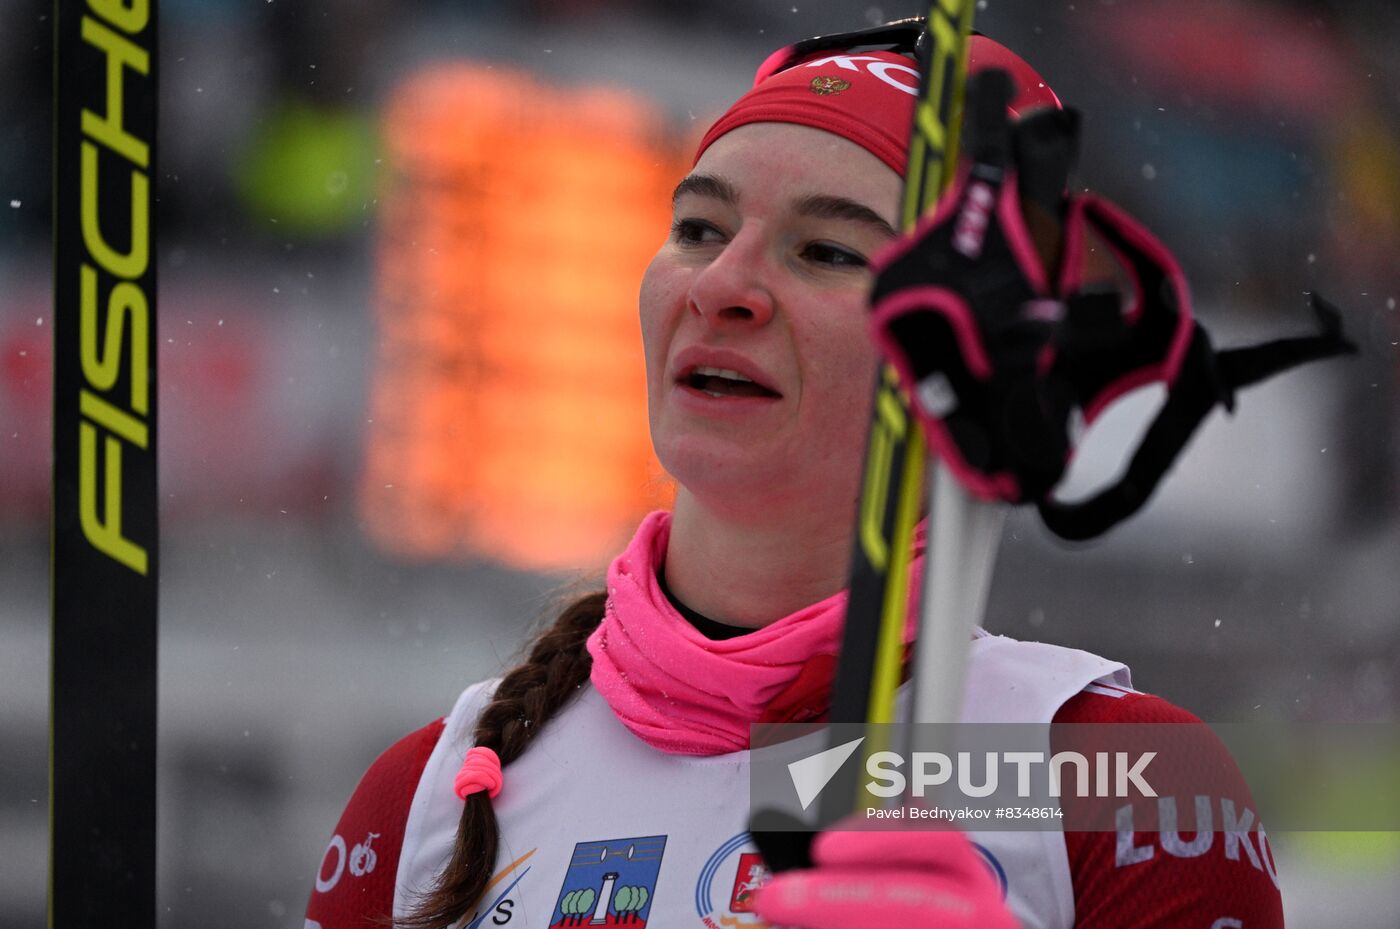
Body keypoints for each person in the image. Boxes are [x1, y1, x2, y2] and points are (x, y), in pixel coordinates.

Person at [305, 26, 1285, 929]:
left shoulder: (1100, 775)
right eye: (696, 227)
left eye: (824, 250)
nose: (721, 286)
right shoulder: (434, 789)